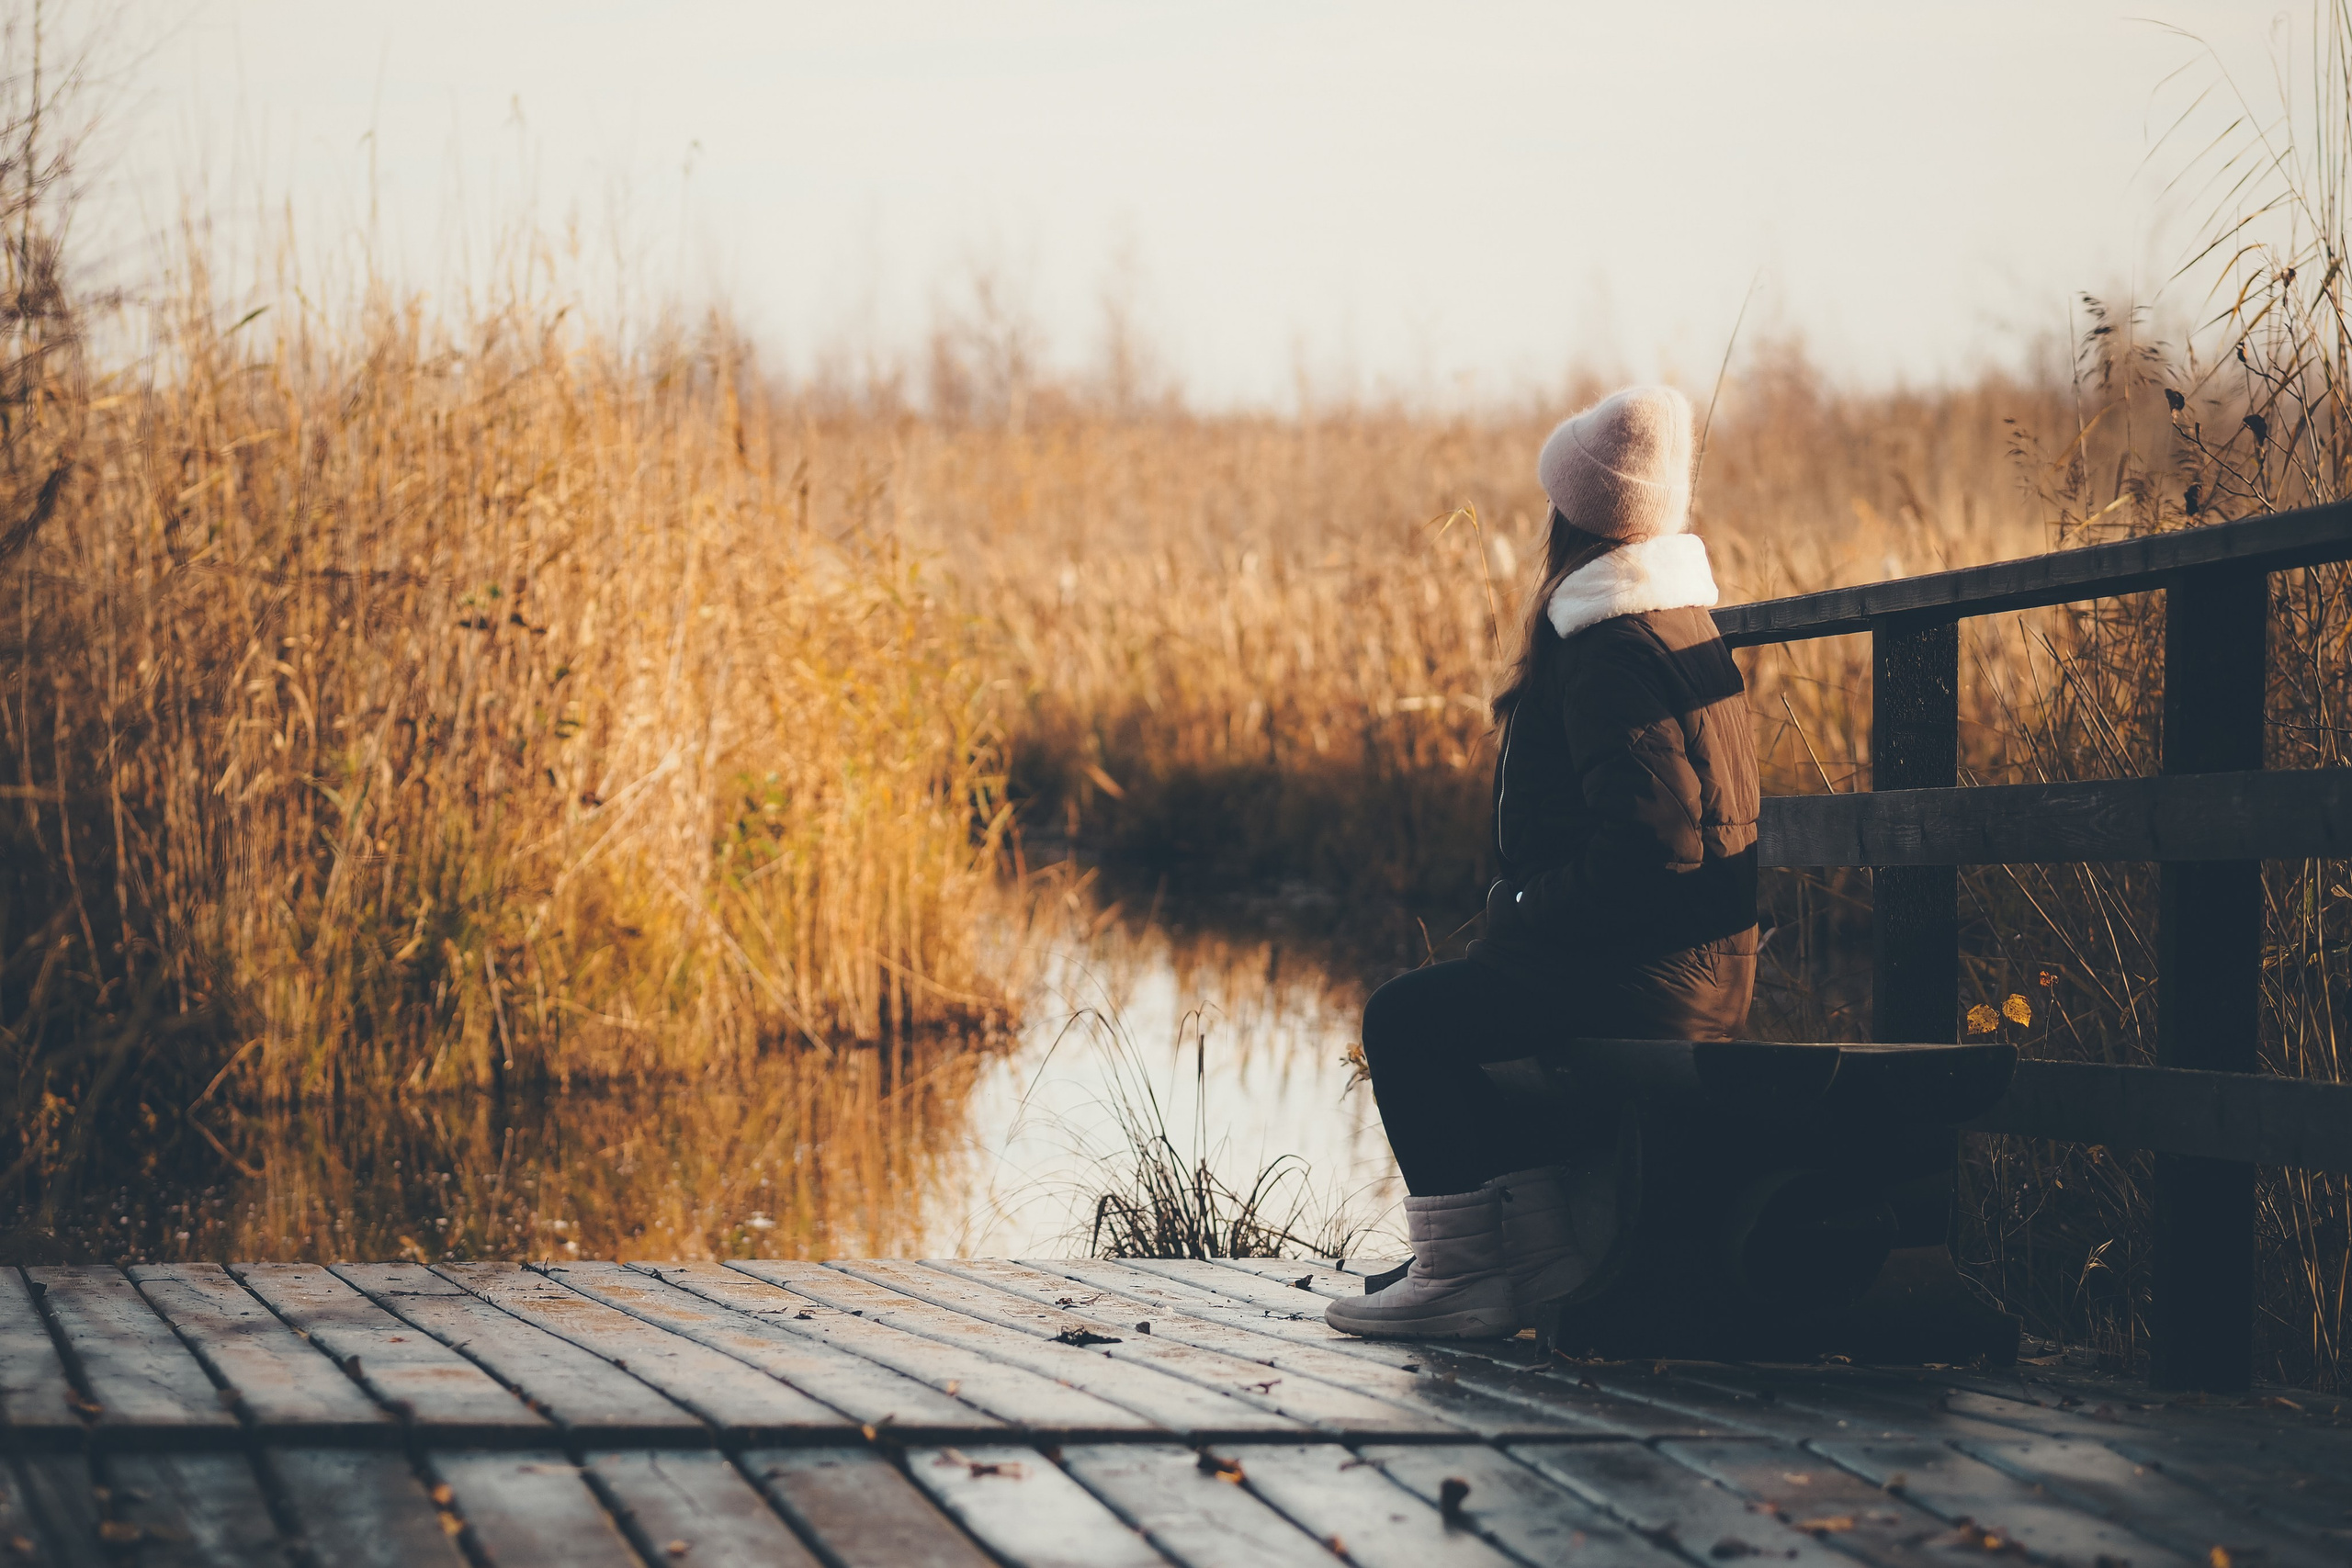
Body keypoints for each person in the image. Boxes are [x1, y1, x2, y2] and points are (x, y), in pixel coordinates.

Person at [1326, 385, 1760, 1340]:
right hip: (1679, 965)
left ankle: (1460, 1275)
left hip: (1642, 979)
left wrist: (1523, 908)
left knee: (1404, 1020)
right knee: (1464, 1005)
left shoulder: (1611, 647)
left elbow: (1655, 845)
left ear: (1570, 516)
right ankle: (1531, 1259)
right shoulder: (1674, 625)